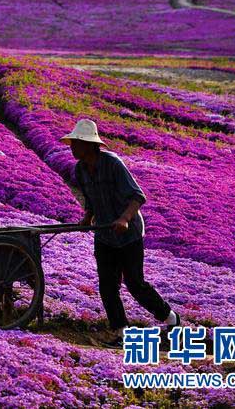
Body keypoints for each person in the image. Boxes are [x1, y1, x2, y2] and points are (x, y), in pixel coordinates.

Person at [61, 118, 180, 347]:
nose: (72, 147)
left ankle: (171, 319)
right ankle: (121, 331)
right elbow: (91, 198)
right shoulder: (80, 169)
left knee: (135, 283)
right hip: (105, 234)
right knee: (107, 284)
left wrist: (124, 218)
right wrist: (88, 218)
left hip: (129, 234)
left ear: (89, 145)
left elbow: (138, 196)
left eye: (75, 143)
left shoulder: (113, 163)